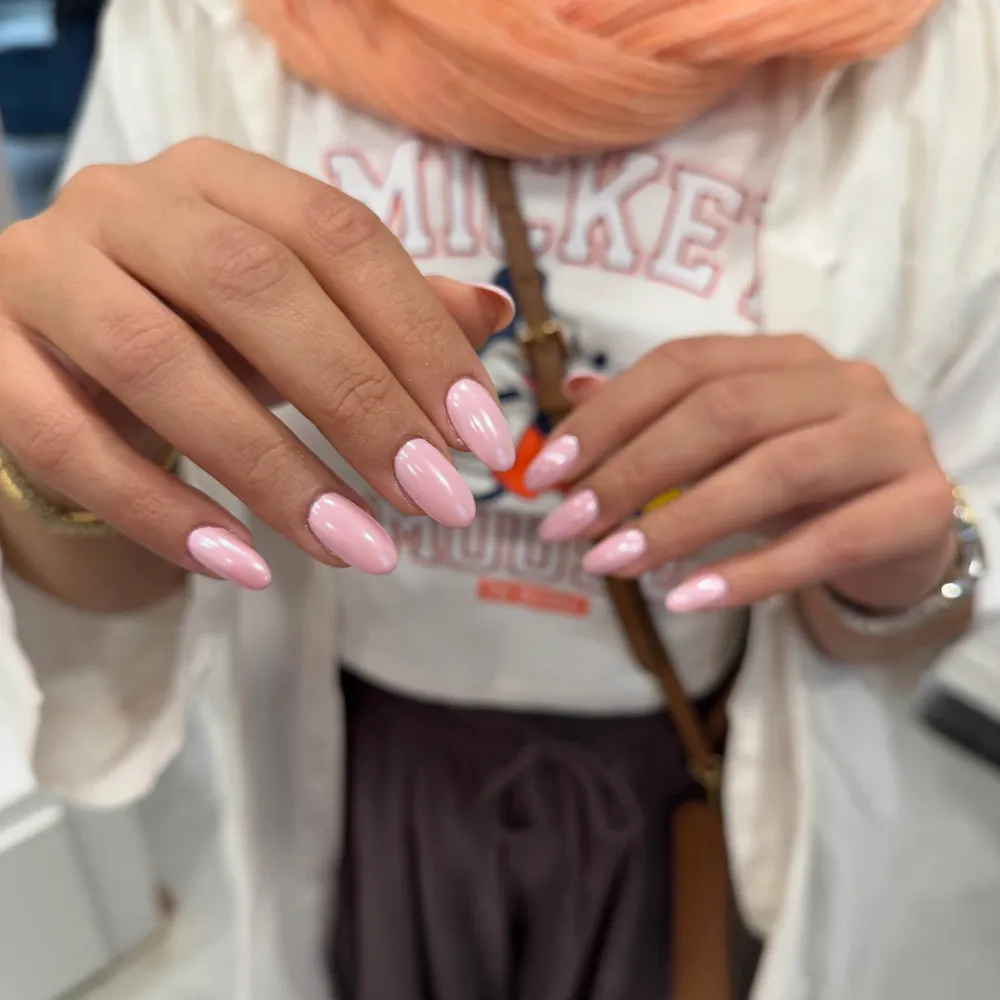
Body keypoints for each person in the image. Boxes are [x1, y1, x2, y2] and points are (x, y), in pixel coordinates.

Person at [2, 0, 1000, 998]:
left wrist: (908, 560)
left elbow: (929, 597)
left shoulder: (942, 51)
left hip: (697, 767)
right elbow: (120, 600)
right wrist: (55, 452)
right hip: (358, 765)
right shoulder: (211, 20)